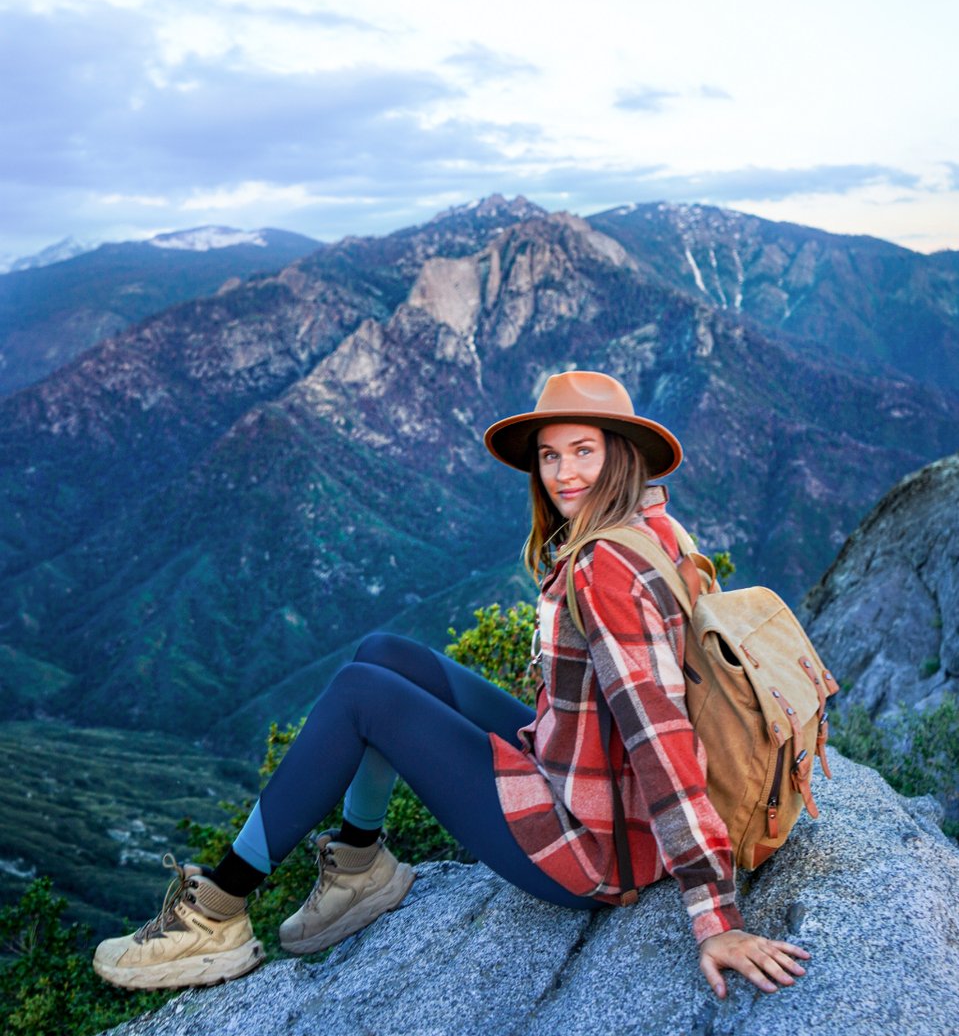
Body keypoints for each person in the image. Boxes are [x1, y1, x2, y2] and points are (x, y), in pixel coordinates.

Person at [94, 370, 809, 1000]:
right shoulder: (654, 527)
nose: (562, 474)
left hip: (595, 847)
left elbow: (660, 734)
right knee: (382, 653)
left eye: (582, 451)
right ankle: (357, 870)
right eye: (550, 455)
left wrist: (714, 917)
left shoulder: (604, 569)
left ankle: (215, 912)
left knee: (359, 695)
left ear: (618, 453)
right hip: (586, 776)